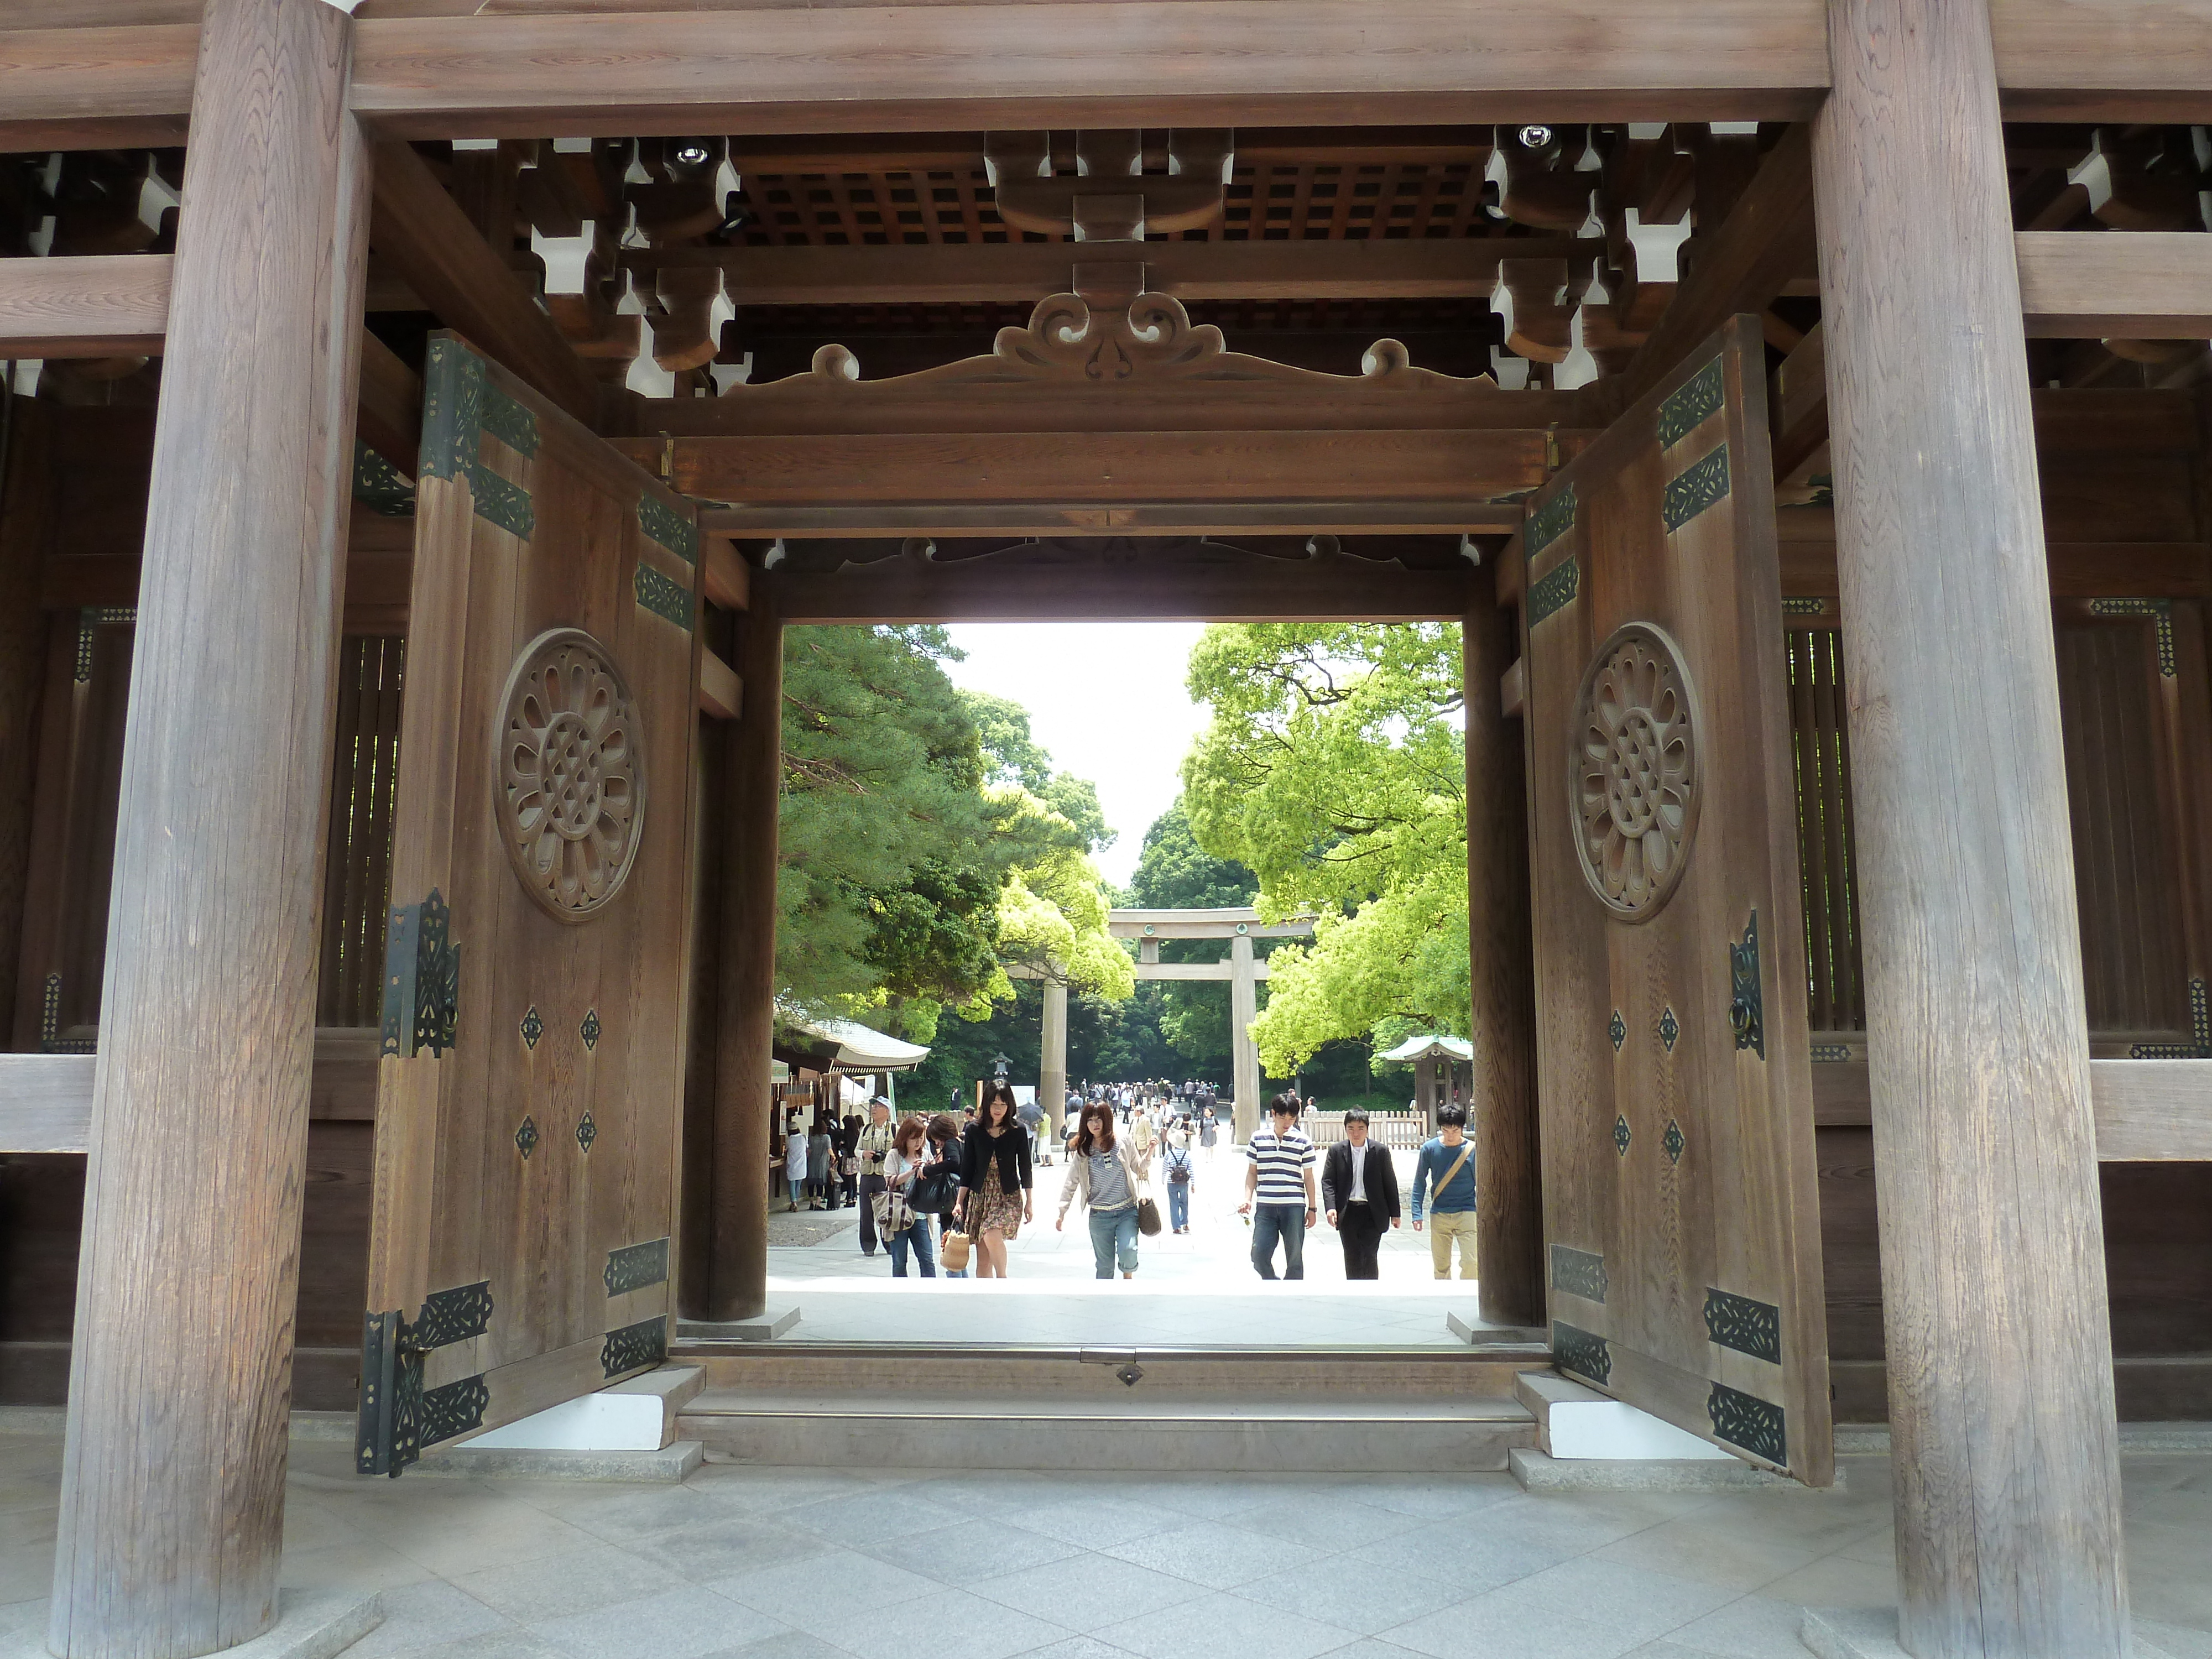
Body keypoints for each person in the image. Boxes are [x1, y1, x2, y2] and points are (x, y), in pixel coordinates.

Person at [1058, 1099, 1149, 1279]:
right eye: (1090, 1120)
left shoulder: (1123, 1142)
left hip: (1126, 1211)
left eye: (1099, 1119)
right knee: (1105, 1267)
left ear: (1108, 1120)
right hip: (1100, 1215)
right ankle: (1105, 1301)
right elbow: (1071, 1182)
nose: (1095, 1124)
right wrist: (1062, 1211)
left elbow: (1138, 1168)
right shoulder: (1084, 1151)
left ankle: (1127, 1281)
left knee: (1129, 1251)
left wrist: (1150, 1154)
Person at [957, 1081, 1034, 1279]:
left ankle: (1003, 1279)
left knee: (991, 1232)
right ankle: (986, 1300)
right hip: (980, 1194)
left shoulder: (1018, 1130)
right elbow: (967, 1167)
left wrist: (1029, 1202)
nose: (998, 1109)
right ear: (986, 1104)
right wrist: (959, 1202)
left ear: (1010, 1105)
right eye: (994, 1104)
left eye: (1003, 1104)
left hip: (1007, 1194)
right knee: (983, 1260)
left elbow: (1025, 1167)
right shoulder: (974, 1130)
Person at [1240, 1092, 1318, 1280]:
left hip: (1294, 1206)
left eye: (1292, 1117)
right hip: (1266, 1206)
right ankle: (1273, 1282)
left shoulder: (1303, 1141)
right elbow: (1252, 1172)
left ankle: (1293, 1292)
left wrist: (1313, 1208)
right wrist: (1247, 1199)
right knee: (1258, 1255)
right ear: (1273, 1114)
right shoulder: (1258, 1138)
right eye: (1283, 1116)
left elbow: (1309, 1176)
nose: (1287, 1121)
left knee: (1295, 1258)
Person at [1322, 1107, 1402, 1279]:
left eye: (1360, 1129)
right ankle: (1354, 1293)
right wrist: (1331, 1207)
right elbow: (1328, 1181)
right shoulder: (1336, 1151)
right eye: (1351, 1128)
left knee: (1370, 1254)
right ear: (1345, 1129)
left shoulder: (1380, 1151)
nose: (1355, 1133)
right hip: (1348, 1211)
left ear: (1367, 1129)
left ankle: (1371, 1291)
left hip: (1373, 1212)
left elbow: (1390, 1182)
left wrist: (1395, 1214)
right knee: (1352, 1255)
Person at [1411, 1102, 1479, 1280]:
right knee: (1441, 1266)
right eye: (1446, 1131)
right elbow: (1420, 1182)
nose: (1450, 1136)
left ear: (1462, 1128)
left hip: (1467, 1211)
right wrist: (1417, 1213)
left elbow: (1481, 1183)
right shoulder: (1430, 1149)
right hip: (1440, 1212)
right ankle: (1446, 1299)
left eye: (1455, 1131)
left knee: (1472, 1262)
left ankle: (1468, 1298)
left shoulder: (1472, 1150)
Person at [878, 1115, 937, 1278]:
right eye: (914, 1139)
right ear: (905, 1138)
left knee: (927, 1259)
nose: (918, 1143)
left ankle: (931, 1290)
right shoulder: (894, 1155)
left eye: (921, 1138)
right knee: (899, 1260)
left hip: (921, 1213)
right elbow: (890, 1181)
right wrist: (911, 1171)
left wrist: (929, 1170)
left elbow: (933, 1179)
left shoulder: (925, 1154)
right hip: (899, 1214)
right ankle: (900, 1291)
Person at [924, 1112, 967, 1276]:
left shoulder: (950, 1144)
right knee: (958, 1251)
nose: (936, 1142)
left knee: (950, 1250)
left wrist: (928, 1170)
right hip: (961, 1200)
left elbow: (953, 1162)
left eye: (935, 1137)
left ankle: (956, 1288)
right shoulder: (960, 1143)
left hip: (951, 1202)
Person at [854, 1098, 896, 1256]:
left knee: (886, 1211)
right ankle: (868, 1246)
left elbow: (900, 1151)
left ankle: (889, 1244)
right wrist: (863, 1154)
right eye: (873, 1106)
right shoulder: (865, 1129)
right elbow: (856, 1150)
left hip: (884, 1176)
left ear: (887, 1111)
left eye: (878, 1106)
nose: (874, 1109)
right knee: (866, 1212)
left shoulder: (894, 1130)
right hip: (867, 1175)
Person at [1160, 1121, 1195, 1233]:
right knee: (1184, 1203)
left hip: (1172, 1182)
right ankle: (1185, 1223)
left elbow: (1165, 1168)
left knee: (1173, 1204)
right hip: (1184, 1183)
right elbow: (1191, 1170)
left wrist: (1163, 1178)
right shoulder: (1187, 1155)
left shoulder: (1169, 1155)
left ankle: (1176, 1227)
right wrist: (1193, 1184)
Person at [806, 1115, 833, 1210]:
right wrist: (833, 1156)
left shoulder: (812, 1137)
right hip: (822, 1163)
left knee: (811, 1183)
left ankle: (811, 1203)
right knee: (820, 1184)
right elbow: (829, 1149)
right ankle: (818, 1203)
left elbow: (809, 1151)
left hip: (812, 1162)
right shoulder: (826, 1137)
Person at [782, 1118, 807, 1211]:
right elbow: (806, 1148)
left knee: (792, 1184)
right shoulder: (804, 1138)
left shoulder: (789, 1140)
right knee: (798, 1185)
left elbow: (786, 1151)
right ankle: (795, 1202)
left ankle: (794, 1203)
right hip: (802, 1164)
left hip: (792, 1164)